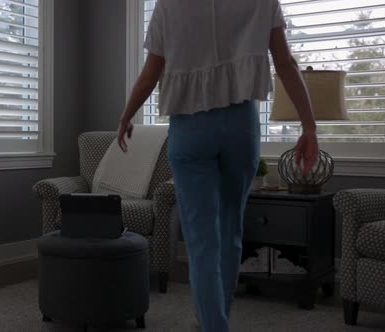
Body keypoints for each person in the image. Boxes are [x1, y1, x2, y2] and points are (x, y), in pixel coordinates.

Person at [117, 0, 319, 331]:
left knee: (201, 240)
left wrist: (127, 115)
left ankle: (213, 322)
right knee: (230, 229)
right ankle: (216, 315)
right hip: (240, 124)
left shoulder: (169, 6)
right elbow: (284, 63)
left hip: (189, 127)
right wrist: (309, 126)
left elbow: (152, 70)